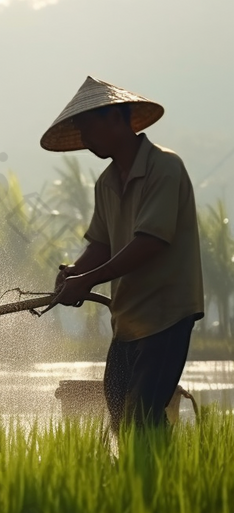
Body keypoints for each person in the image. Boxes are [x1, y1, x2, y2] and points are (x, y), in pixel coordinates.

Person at [41, 76, 204, 431]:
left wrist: (88, 280)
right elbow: (101, 244)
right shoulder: (106, 183)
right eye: (80, 131)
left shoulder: (164, 167)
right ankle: (140, 480)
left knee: (142, 414)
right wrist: (74, 273)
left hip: (166, 314)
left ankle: (155, 481)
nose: (84, 140)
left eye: (87, 128)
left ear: (116, 118)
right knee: (119, 409)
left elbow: (151, 241)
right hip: (127, 318)